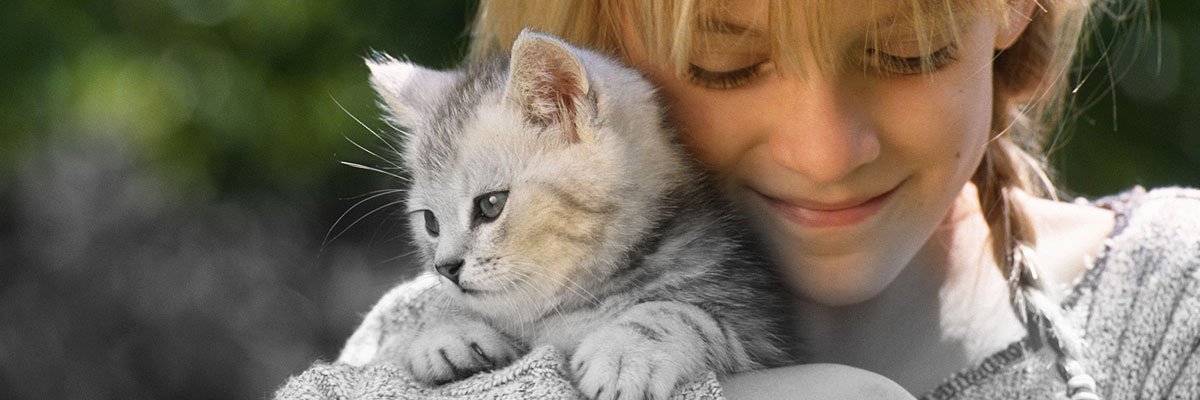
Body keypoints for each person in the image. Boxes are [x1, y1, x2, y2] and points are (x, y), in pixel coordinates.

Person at [276, 1, 1199, 399]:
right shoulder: (441, 324)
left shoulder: (1169, 304)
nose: (824, 152)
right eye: (727, 62)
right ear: (610, 34)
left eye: (904, 50)